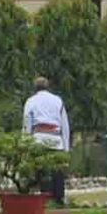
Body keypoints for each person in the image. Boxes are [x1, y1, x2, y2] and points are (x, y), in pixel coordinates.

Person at [21, 75, 70, 205]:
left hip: (39, 140)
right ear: (48, 86)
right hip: (56, 140)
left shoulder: (30, 101)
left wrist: (25, 144)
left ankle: (46, 201)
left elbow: (27, 124)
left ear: (35, 88)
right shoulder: (57, 100)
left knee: (43, 172)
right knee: (57, 173)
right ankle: (59, 200)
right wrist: (66, 147)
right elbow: (64, 125)